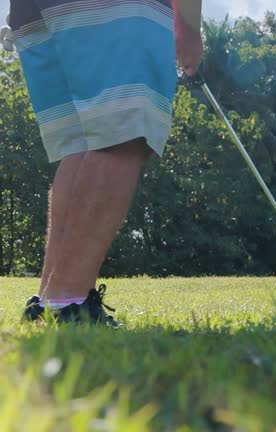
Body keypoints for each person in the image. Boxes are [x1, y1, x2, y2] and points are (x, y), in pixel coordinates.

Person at [8, 0, 203, 326]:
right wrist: (189, 28)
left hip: (32, 10)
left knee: (81, 145)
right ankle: (67, 303)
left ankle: (47, 301)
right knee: (124, 133)